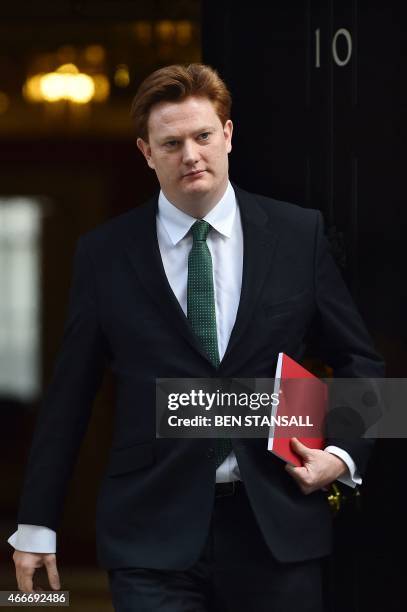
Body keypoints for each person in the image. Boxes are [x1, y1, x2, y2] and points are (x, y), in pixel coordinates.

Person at [9, 63, 384, 611]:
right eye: (172, 142)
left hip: (276, 528)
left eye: (204, 136)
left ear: (227, 134)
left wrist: (341, 457)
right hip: (149, 532)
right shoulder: (105, 253)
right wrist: (37, 523)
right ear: (146, 151)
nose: (191, 154)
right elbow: (70, 395)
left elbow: (362, 363)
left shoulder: (298, 234)